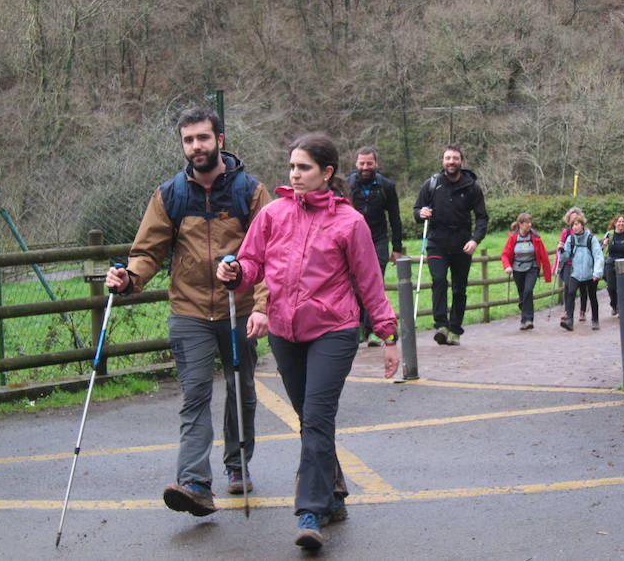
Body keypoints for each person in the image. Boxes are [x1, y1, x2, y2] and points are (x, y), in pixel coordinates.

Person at [216, 132, 399, 551]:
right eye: (292, 167)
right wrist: (235, 272)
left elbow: (370, 283)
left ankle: (309, 513)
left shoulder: (349, 222)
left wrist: (388, 335)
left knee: (316, 417)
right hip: (285, 332)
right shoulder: (273, 214)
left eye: (304, 167)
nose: (295, 174)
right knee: (309, 419)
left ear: (327, 172)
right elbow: (251, 261)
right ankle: (333, 494)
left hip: (334, 330)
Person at [105, 108, 271, 517]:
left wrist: (262, 306)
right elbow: (148, 252)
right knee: (195, 393)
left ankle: (238, 464)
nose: (196, 146)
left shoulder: (250, 192)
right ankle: (194, 482)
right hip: (189, 310)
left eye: (203, 137)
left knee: (241, 390)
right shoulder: (170, 195)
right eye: (188, 140)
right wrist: (129, 278)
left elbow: (270, 253)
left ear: (220, 140)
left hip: (238, 308)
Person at [413, 145, 488, 346]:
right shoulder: (431, 184)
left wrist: (475, 240)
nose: (451, 162)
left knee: (459, 288)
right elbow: (417, 210)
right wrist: (421, 213)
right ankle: (441, 325)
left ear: (461, 161)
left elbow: (482, 217)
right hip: (437, 242)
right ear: (443, 161)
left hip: (462, 245)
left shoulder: (472, 187)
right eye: (447, 158)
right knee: (438, 280)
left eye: (455, 158)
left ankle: (455, 329)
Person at [346, 146, 404, 345]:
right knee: (355, 286)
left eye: (369, 163)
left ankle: (373, 331)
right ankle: (360, 326)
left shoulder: (386, 186)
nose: (365, 167)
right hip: (353, 240)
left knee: (374, 283)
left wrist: (397, 248)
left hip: (378, 240)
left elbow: (395, 218)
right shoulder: (347, 185)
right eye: (362, 163)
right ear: (356, 163)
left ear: (376, 164)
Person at [501, 213, 552, 330]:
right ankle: (524, 318)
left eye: (530, 222)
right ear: (520, 224)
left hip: (532, 268)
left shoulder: (536, 237)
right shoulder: (513, 238)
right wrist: (507, 266)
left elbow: (544, 256)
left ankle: (528, 320)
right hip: (517, 269)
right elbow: (505, 254)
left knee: (528, 291)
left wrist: (547, 275)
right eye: (526, 223)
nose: (529, 225)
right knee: (522, 294)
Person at [559, 213, 604, 331]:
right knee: (571, 293)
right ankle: (569, 321)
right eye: (573, 225)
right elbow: (565, 257)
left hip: (590, 274)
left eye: (577, 224)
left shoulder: (591, 238)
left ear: (582, 225)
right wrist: (561, 250)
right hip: (575, 273)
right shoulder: (571, 239)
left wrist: (597, 272)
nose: (575, 227)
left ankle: (595, 320)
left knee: (592, 296)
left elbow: (598, 256)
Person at [557, 207, 591, 323]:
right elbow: (561, 245)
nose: (574, 221)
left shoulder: (586, 231)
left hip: (581, 263)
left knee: (582, 287)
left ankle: (582, 311)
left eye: (576, 218)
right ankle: (568, 311)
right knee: (568, 287)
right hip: (568, 263)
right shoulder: (566, 232)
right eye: (572, 219)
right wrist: (560, 249)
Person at [601, 214, 624, 317]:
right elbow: (601, 250)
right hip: (611, 263)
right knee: (611, 287)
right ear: (615, 223)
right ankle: (614, 305)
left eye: (622, 222)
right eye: (619, 222)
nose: (621, 224)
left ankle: (621, 308)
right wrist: (603, 244)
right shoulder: (609, 235)